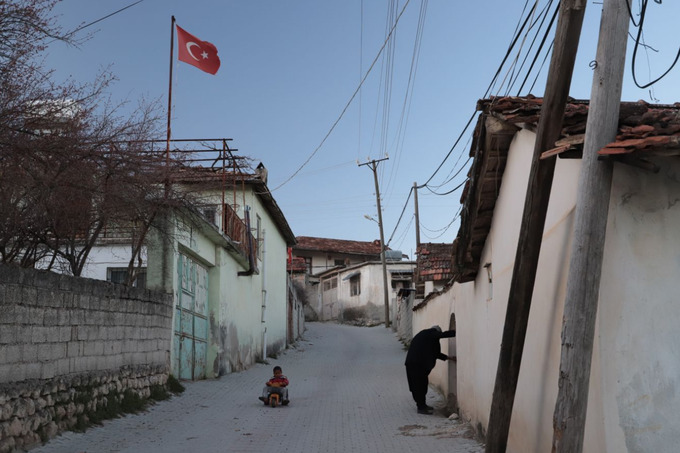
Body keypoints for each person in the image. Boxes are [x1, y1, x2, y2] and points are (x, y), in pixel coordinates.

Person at [404, 325, 456, 414]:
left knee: (419, 385)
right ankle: (421, 408)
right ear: (436, 331)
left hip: (414, 364)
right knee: (419, 386)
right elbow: (438, 335)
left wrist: (449, 358)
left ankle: (422, 405)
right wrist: (454, 332)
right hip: (417, 365)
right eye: (438, 333)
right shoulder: (430, 333)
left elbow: (436, 353)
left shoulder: (426, 337)